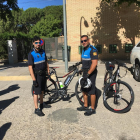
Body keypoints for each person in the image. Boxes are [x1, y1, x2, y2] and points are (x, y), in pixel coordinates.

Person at [28, 36, 51, 117]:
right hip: (37, 75)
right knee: (36, 92)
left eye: (39, 42)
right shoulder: (31, 53)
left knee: (42, 90)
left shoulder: (43, 51)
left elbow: (46, 62)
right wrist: (34, 79)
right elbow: (30, 67)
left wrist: (48, 71)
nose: (38, 44)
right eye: (36, 43)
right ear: (33, 43)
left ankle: (42, 104)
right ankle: (36, 109)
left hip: (43, 74)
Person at [77, 35, 98, 116]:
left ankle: (92, 109)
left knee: (92, 91)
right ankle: (85, 105)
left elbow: (94, 63)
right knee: (84, 89)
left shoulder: (93, 50)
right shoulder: (83, 49)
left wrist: (88, 74)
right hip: (85, 72)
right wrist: (81, 70)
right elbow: (84, 62)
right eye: (82, 41)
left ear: (88, 40)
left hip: (91, 73)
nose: (83, 42)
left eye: (85, 40)